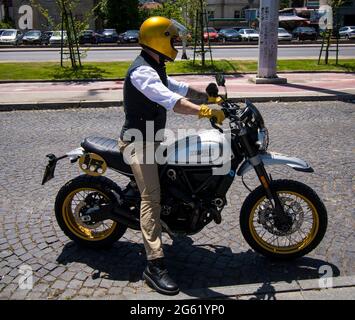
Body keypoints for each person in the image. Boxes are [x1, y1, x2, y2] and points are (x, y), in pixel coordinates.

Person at [118, 16, 225, 295]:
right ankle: (154, 265)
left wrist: (209, 98)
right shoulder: (142, 72)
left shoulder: (157, 66)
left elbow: (179, 89)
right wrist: (204, 112)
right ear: (158, 39)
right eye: (172, 38)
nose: (175, 43)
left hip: (154, 139)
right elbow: (172, 101)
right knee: (150, 197)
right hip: (137, 143)